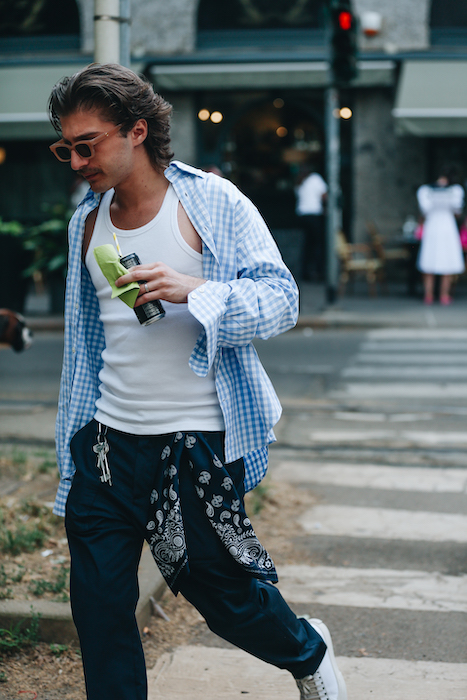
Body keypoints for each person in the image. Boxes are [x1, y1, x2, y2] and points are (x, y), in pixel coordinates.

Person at [47, 64, 347, 700]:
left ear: (136, 131)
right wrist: (71, 453)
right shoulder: (86, 221)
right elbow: (84, 349)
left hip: (193, 446)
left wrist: (198, 290)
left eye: (87, 146)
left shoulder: (212, 202)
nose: (75, 162)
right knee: (98, 609)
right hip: (105, 443)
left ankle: (307, 652)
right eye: (65, 148)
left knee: (224, 597)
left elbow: (282, 301)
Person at [416, 170, 465, 304]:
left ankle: (439, 294)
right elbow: (457, 211)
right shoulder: (427, 191)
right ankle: (432, 294)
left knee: (445, 263)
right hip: (439, 227)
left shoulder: (452, 191)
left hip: (442, 227)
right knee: (430, 263)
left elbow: (424, 211)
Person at [295, 167, 328, 281]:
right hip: (313, 215)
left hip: (302, 216)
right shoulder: (315, 178)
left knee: (307, 245)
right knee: (318, 244)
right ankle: (319, 271)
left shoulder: (299, 182)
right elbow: (324, 195)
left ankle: (305, 272)